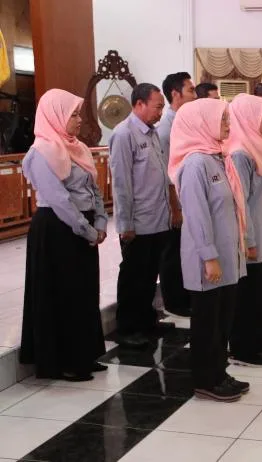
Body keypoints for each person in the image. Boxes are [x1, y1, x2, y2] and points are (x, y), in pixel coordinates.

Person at [20, 89, 107, 382]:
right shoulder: (41, 152)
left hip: (84, 226)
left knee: (84, 291)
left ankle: (85, 354)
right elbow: (59, 199)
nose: (79, 120)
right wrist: (87, 230)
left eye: (78, 114)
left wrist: (101, 221)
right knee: (64, 293)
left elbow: (93, 188)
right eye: (74, 114)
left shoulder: (78, 148)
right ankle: (65, 361)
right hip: (57, 229)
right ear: (55, 116)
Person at [167, 98, 249, 401]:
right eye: (222, 119)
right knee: (207, 323)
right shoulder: (194, 164)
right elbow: (197, 215)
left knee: (222, 320)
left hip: (227, 255)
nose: (228, 124)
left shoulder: (218, 158)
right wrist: (209, 256)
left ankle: (220, 373)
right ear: (203, 123)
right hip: (208, 259)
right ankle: (205, 380)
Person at [109, 83, 174, 347]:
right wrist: (125, 223)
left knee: (149, 275)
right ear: (139, 104)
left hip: (158, 218)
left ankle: (146, 321)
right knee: (133, 277)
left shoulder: (152, 133)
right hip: (138, 221)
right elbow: (121, 183)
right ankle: (127, 328)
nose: (160, 112)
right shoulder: (124, 134)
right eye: (157, 107)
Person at [227, 94, 262, 367]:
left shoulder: (259, 147)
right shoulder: (240, 153)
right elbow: (241, 202)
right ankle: (243, 349)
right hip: (253, 237)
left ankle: (261, 341)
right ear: (247, 117)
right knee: (249, 296)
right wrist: (248, 240)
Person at [156, 71, 196, 317]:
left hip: (188, 197)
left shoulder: (185, 122)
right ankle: (174, 301)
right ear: (175, 94)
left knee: (186, 251)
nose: (194, 95)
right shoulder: (166, 129)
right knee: (173, 253)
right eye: (190, 90)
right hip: (176, 200)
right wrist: (175, 207)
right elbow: (167, 173)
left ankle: (185, 295)